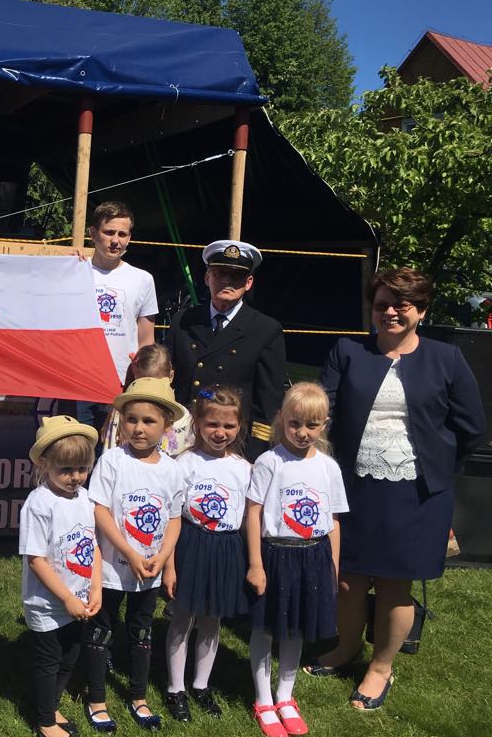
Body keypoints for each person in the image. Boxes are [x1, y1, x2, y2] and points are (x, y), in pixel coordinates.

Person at [306, 267, 485, 710]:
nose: (390, 312)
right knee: (347, 580)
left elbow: (471, 426)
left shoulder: (446, 358)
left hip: (417, 494)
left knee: (394, 585)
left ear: (420, 311)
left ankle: (381, 667)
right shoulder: (348, 350)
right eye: (382, 304)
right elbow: (323, 407)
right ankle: (346, 648)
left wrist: (438, 464)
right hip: (353, 486)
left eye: (401, 305)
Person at [246, 383, 347, 737]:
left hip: (314, 556)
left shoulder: (329, 467)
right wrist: (255, 563)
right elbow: (253, 513)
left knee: (297, 627)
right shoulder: (269, 462)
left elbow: (333, 520)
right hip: (275, 555)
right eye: (295, 424)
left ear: (324, 425)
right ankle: (263, 700)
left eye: (312, 425)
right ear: (281, 419)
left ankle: (285, 697)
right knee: (265, 627)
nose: (303, 432)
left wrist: (333, 565)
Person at [84, 378, 185, 733]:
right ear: (121, 422)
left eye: (148, 421)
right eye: (131, 420)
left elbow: (174, 518)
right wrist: (128, 550)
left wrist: (164, 557)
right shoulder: (112, 461)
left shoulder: (172, 470)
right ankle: (97, 699)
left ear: (166, 425)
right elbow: (99, 509)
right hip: (110, 568)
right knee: (101, 630)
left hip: (150, 572)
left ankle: (138, 696)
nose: (139, 428)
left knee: (142, 632)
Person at [163, 386, 251, 722]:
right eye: (212, 424)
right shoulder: (184, 464)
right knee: (182, 617)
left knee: (213, 619)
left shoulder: (244, 468)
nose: (220, 432)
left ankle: (201, 684)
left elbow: (249, 517)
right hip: (191, 544)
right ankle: (175, 688)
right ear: (197, 423)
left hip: (226, 548)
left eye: (229, 426)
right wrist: (170, 566)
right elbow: (172, 515)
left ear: (239, 426)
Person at [20, 415, 102, 737]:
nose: (75, 477)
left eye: (82, 468)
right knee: (50, 660)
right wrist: (66, 597)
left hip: (79, 600)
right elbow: (36, 560)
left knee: (70, 657)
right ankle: (44, 722)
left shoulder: (85, 498)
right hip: (48, 604)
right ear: (44, 463)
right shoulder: (40, 504)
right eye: (66, 469)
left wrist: (95, 588)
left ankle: (51, 706)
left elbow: (92, 546)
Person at [167, 240, 286, 459]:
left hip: (232, 446)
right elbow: (169, 382)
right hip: (183, 440)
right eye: (220, 273)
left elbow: (268, 403)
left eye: (237, 276)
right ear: (207, 277)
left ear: (248, 283)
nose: (227, 281)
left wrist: (254, 454)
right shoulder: (184, 321)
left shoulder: (265, 330)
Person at [78, 201, 158, 429]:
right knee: (76, 448)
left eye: (122, 234)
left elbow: (146, 340)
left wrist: (145, 385)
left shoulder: (143, 279)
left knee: (116, 447)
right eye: (109, 232)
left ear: (129, 238)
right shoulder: (73, 270)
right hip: (78, 380)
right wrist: (67, 260)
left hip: (122, 382)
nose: (116, 240)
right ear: (93, 233)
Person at [101, 344, 193, 457]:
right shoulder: (122, 414)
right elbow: (110, 454)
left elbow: (188, 459)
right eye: (143, 383)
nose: (149, 391)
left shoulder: (182, 417)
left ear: (171, 376)